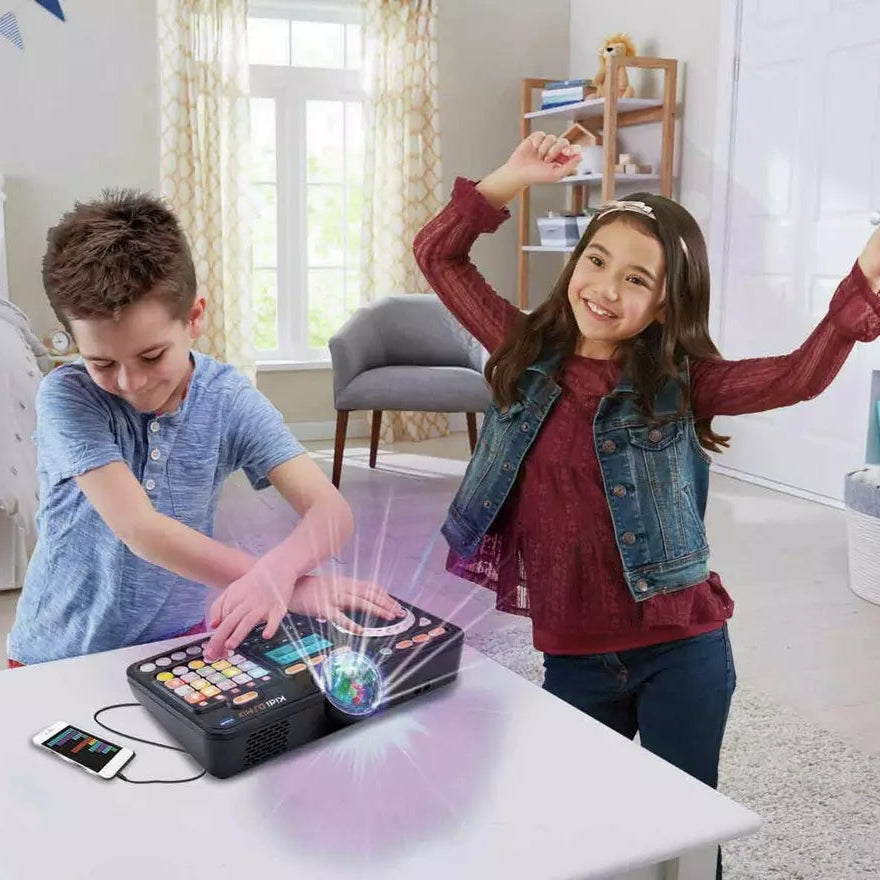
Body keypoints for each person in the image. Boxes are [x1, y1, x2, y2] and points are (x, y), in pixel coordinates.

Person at [413, 132, 880, 878]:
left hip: (681, 649)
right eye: (596, 261)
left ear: (666, 302)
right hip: (572, 652)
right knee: (590, 834)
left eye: (637, 279)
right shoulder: (522, 348)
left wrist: (863, 284)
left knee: (687, 835)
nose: (605, 286)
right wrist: (511, 177)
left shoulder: (683, 382)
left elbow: (798, 376)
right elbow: (439, 254)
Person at [8, 190, 402, 669]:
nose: (130, 382)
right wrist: (288, 585)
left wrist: (278, 574)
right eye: (102, 362)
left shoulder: (227, 398)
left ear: (194, 318)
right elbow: (141, 529)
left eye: (152, 356)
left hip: (177, 645)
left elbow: (330, 510)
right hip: (56, 654)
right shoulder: (68, 396)